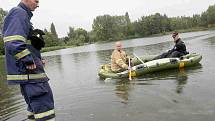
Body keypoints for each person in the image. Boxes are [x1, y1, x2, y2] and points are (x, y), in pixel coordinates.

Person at [2, 0, 55, 121]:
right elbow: (13, 42)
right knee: (44, 109)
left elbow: (22, 43)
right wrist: (29, 60)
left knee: (34, 109)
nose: (38, 4)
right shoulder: (19, 13)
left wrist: (37, 57)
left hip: (29, 75)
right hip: (30, 75)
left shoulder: (22, 16)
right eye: (35, 1)